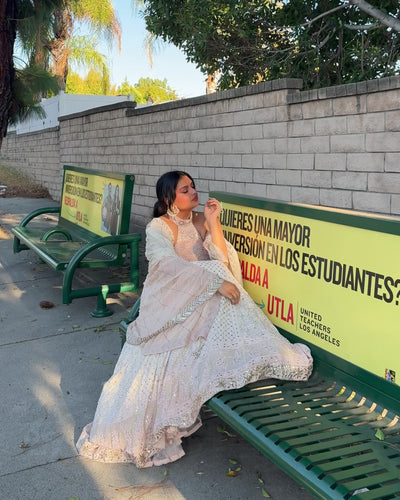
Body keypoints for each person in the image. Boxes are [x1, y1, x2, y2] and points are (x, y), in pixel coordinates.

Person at [77, 170, 313, 468]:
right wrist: (213, 282)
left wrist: (213, 223)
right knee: (212, 278)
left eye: (193, 187)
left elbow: (224, 264)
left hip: (206, 301)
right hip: (173, 301)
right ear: (168, 198)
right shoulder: (158, 227)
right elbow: (165, 265)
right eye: (185, 190)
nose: (193, 193)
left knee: (218, 272)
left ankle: (261, 352)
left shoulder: (202, 220)